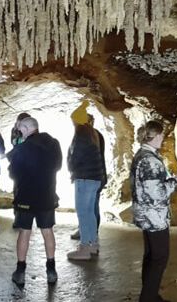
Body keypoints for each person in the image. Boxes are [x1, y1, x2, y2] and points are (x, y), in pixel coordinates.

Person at [7, 116, 62, 285]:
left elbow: (13, 173)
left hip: (26, 196)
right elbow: (58, 166)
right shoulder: (54, 143)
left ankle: (20, 271)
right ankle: (51, 270)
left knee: (24, 232)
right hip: (47, 195)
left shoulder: (23, 148)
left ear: (25, 129)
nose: (19, 132)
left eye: (20, 129)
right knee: (47, 231)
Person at [131, 120, 177, 302]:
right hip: (154, 216)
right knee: (160, 257)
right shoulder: (150, 160)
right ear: (156, 135)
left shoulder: (141, 154)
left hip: (145, 213)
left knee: (151, 255)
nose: (163, 138)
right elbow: (157, 194)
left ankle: (151, 295)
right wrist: (173, 182)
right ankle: (147, 298)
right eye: (162, 135)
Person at [66, 102, 106, 260]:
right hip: (94, 178)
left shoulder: (81, 136)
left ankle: (84, 248)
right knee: (89, 212)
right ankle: (93, 244)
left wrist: (70, 165)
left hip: (84, 178)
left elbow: (75, 159)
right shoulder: (92, 135)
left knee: (83, 213)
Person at [71, 114, 107, 241]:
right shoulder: (96, 135)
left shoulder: (85, 136)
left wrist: (73, 169)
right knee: (92, 206)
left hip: (86, 177)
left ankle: (87, 234)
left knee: (86, 207)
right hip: (97, 176)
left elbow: (78, 157)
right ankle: (91, 232)